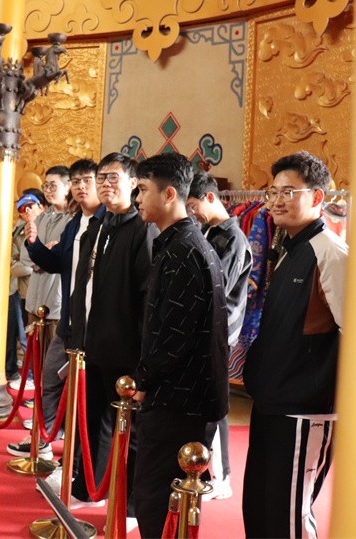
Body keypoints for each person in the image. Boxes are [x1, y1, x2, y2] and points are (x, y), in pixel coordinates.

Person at [242, 151, 348, 539]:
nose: (277, 201)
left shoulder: (330, 253)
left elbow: (355, 335)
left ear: (318, 197)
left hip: (304, 410)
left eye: (289, 192)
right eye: (273, 192)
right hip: (272, 401)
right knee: (259, 509)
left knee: (288, 517)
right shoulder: (291, 248)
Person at [130, 153, 229, 537]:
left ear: (169, 194)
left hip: (180, 401)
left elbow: (173, 335)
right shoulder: (180, 244)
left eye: (143, 190)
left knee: (157, 499)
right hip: (181, 397)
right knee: (161, 499)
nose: (138, 199)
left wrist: (143, 379)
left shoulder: (184, 251)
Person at [68, 152, 155, 512]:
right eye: (101, 177)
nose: (105, 184)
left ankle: (130, 505)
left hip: (125, 348)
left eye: (113, 177)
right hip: (92, 343)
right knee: (92, 421)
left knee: (128, 428)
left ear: (134, 183)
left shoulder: (142, 229)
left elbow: (147, 297)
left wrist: (142, 357)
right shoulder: (98, 225)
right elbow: (84, 287)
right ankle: (90, 488)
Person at [11, 159, 103, 458]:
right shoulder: (72, 222)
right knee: (49, 377)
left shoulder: (106, 223)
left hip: (81, 317)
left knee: (80, 391)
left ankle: (74, 456)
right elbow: (52, 261)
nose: (80, 187)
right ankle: (45, 438)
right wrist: (35, 244)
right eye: (76, 181)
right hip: (66, 318)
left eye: (86, 181)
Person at [187, 171, 253, 499]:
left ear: (210, 198)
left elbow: (217, 288)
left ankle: (223, 477)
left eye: (193, 206)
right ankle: (207, 469)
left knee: (216, 405)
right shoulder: (208, 231)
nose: (191, 213)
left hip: (220, 333)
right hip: (204, 330)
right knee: (205, 405)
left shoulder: (233, 239)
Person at [22, 166, 71, 342]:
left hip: (55, 300)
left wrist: (41, 254)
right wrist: (43, 254)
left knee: (52, 353)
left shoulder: (73, 220)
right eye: (46, 186)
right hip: (34, 298)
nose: (48, 190)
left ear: (68, 187)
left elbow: (60, 257)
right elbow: (25, 255)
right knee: (33, 353)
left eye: (53, 186)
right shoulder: (41, 217)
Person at [7, 190, 44, 390]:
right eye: (23, 209)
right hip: (22, 290)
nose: (27, 211)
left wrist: (37, 264)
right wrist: (34, 266)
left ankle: (36, 377)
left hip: (44, 291)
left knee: (38, 337)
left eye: (31, 206)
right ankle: (28, 375)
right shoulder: (19, 231)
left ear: (41, 207)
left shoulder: (48, 227)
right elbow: (11, 263)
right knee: (25, 334)